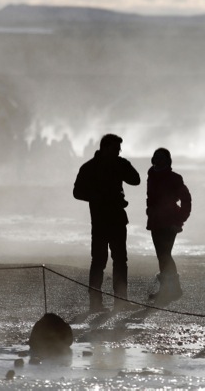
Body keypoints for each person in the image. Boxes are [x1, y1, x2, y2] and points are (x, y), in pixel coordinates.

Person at [73, 133, 141, 312]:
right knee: (99, 262)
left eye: (119, 149)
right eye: (116, 148)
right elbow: (77, 192)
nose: (119, 151)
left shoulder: (118, 164)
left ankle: (121, 301)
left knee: (119, 261)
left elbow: (136, 180)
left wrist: (124, 164)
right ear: (105, 147)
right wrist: (98, 197)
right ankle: (96, 303)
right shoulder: (89, 167)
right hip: (101, 220)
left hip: (117, 219)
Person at [146, 148, 192, 303]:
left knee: (165, 255)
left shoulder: (174, 178)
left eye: (161, 157)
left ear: (168, 160)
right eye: (156, 156)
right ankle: (167, 290)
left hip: (169, 222)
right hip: (155, 221)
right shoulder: (151, 175)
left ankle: (173, 290)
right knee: (162, 256)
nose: (158, 159)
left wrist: (179, 220)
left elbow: (186, 199)